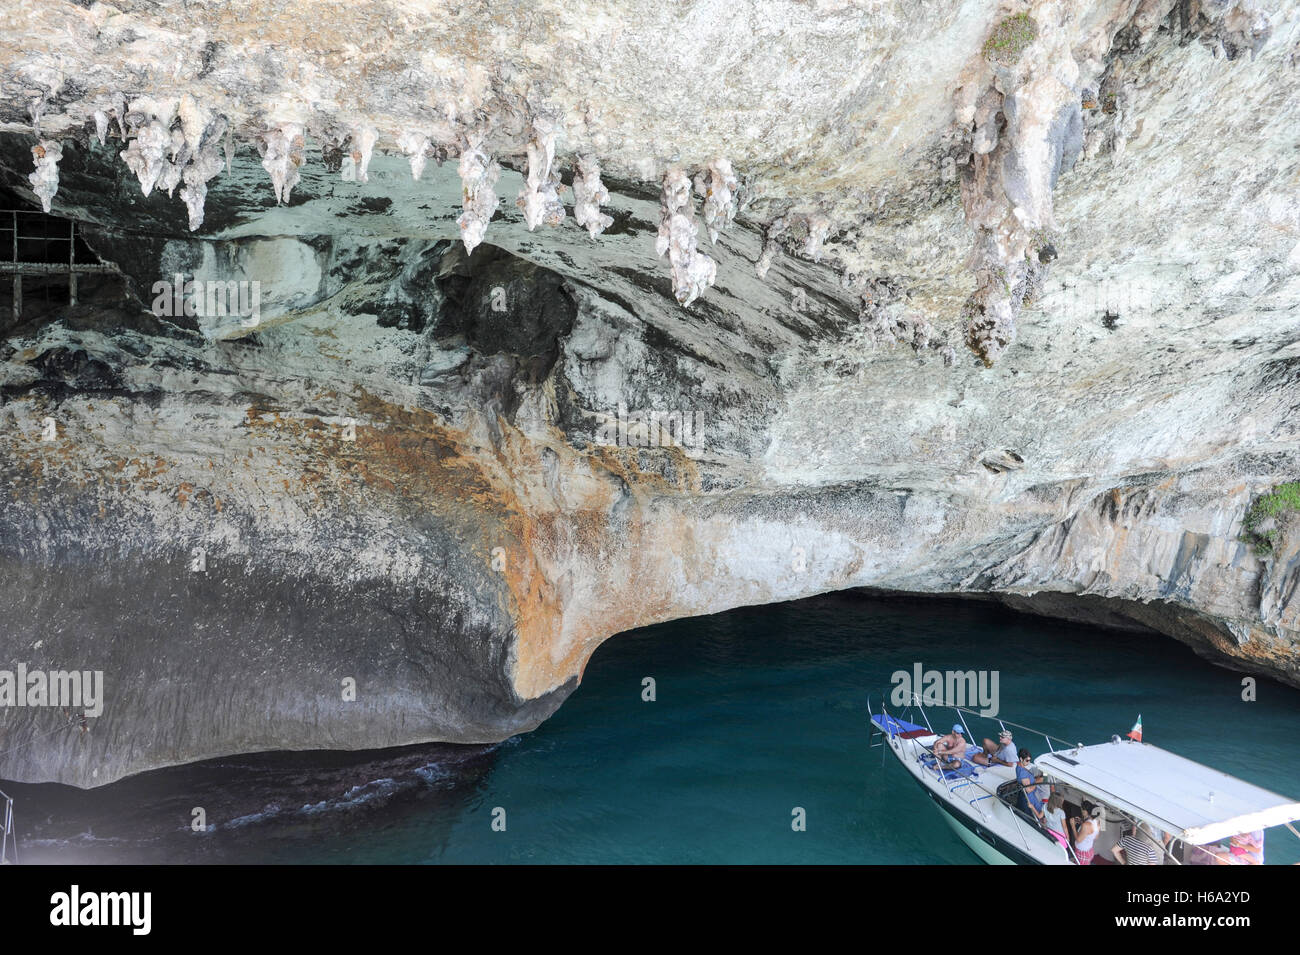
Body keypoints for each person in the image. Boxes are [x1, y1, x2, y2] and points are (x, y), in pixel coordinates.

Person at [1015, 748, 1045, 823]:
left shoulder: (1019, 766)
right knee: (1038, 812)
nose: (1029, 762)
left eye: (1029, 760)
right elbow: (1028, 790)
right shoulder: (1023, 773)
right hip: (1030, 798)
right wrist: (1037, 782)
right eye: (1027, 760)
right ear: (1021, 759)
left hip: (1030, 796)